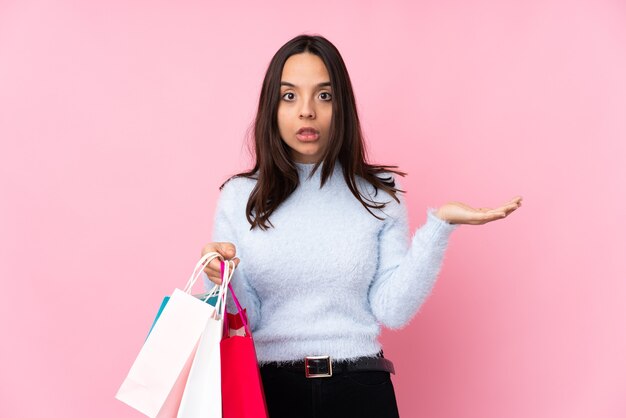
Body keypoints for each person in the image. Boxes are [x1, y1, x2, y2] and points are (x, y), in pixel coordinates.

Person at [200, 34, 522, 418]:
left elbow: (392, 309)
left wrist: (439, 228)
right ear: (271, 107)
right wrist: (220, 278)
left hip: (361, 390)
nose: (306, 111)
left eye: (324, 95)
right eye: (289, 96)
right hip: (268, 393)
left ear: (343, 106)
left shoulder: (379, 192)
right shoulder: (240, 197)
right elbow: (244, 317)